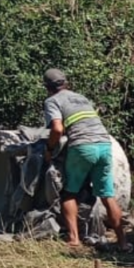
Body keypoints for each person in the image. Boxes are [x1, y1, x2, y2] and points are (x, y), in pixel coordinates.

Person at [43, 68, 128, 251]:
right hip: (105, 145)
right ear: (66, 83)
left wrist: (49, 149)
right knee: (107, 195)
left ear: (47, 87)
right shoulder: (81, 97)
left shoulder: (52, 101)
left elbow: (57, 129)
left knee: (69, 193)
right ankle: (123, 242)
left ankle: (74, 239)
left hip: (83, 147)